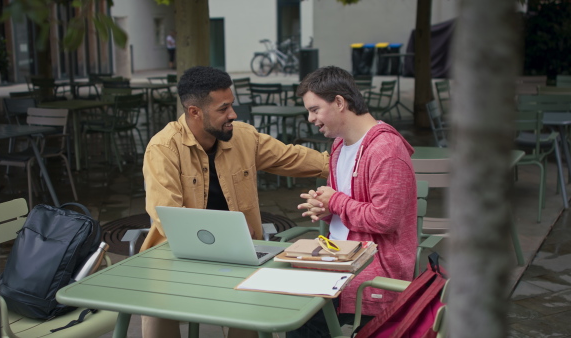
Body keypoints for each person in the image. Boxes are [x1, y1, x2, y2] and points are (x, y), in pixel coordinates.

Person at [141, 66, 330, 338]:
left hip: (242, 255)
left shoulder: (243, 136)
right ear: (194, 111)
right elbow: (167, 217)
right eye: (223, 108)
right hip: (178, 255)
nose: (233, 114)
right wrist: (226, 241)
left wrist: (345, 163)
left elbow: (292, 157)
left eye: (231, 105)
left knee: (251, 301)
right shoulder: (163, 148)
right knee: (155, 306)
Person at [288, 66, 417, 337]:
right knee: (281, 294)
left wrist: (335, 201)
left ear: (339, 102)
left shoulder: (386, 150)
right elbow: (343, 205)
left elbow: (384, 219)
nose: (310, 118)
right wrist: (324, 207)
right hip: (337, 257)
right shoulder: (339, 144)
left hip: (371, 268)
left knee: (300, 315)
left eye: (314, 109)